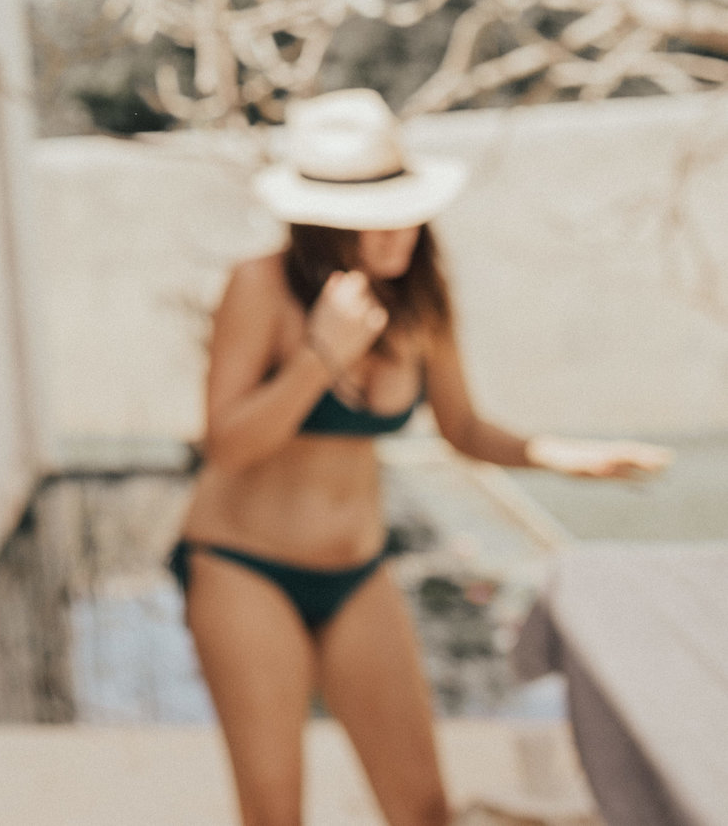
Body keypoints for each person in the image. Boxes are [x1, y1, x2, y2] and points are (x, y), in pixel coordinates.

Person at [177, 88, 672, 826]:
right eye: (373, 218)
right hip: (244, 565)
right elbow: (227, 443)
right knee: (274, 813)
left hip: (357, 570)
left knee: (424, 809)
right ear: (322, 221)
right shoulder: (260, 286)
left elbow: (462, 427)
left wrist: (569, 457)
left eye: (405, 207)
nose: (398, 230)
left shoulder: (421, 296)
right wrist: (320, 355)